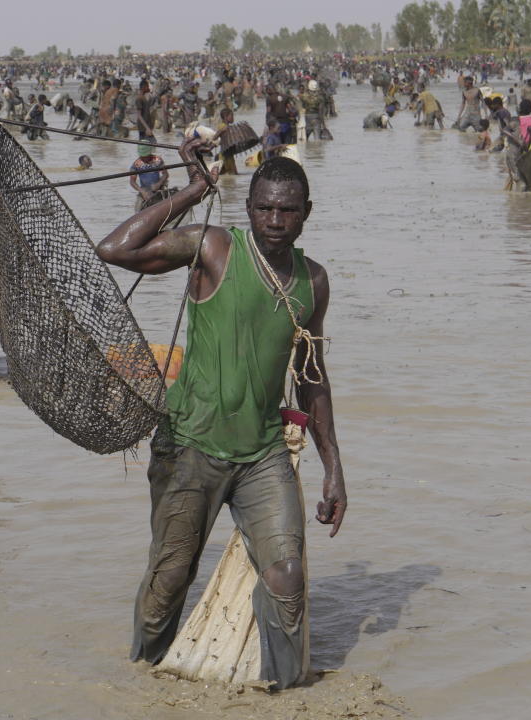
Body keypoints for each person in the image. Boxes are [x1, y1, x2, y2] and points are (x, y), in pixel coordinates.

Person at [95, 139, 347, 691]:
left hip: (262, 453)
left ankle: (286, 692)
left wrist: (333, 466)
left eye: (288, 209)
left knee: (288, 576)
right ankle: (143, 680)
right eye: (264, 207)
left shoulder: (314, 281)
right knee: (169, 581)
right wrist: (192, 191)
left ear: (307, 214)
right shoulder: (214, 248)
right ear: (248, 206)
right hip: (190, 446)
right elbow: (113, 249)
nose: (275, 220)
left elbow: (311, 376)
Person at [129, 141, 168, 211]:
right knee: (137, 211)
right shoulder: (136, 164)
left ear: (150, 152)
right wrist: (142, 191)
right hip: (144, 192)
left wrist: (159, 184)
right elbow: (132, 182)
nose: (143, 157)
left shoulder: (158, 160)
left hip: (158, 190)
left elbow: (165, 174)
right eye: (142, 156)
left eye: (145, 155)